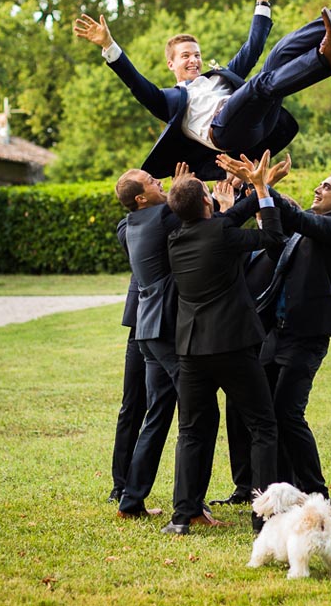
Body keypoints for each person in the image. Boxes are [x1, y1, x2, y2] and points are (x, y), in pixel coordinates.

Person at [73, 0, 331, 180]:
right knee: (260, 83)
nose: (193, 60)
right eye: (185, 57)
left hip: (259, 121)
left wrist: (262, 1)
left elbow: (253, 46)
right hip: (225, 132)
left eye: (197, 55)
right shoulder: (169, 101)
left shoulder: (221, 77)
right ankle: (325, 59)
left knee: (278, 52)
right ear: (171, 64)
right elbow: (136, 84)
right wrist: (109, 44)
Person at [216, 155, 331, 502]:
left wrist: (263, 185)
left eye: (326, 186)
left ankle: (317, 495)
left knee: (287, 413)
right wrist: (255, 187)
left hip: (306, 336)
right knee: (258, 412)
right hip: (275, 334)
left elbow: (294, 217)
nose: (318, 188)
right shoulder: (303, 229)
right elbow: (277, 228)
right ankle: (261, 490)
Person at [160, 151, 286, 535]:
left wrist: (261, 186)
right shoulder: (220, 231)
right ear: (205, 202)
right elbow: (272, 237)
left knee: (192, 432)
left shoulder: (175, 238)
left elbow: (227, 218)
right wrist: (261, 189)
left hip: (192, 349)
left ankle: (182, 516)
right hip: (233, 345)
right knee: (263, 427)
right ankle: (263, 518)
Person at [112, 164, 191, 519]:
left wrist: (171, 194)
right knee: (194, 413)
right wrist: (181, 191)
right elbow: (201, 216)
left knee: (157, 416)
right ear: (141, 198)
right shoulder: (161, 218)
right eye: (151, 182)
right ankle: (188, 504)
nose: (158, 181)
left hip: (147, 331)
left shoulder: (133, 223)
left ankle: (131, 501)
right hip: (165, 331)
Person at [106, 271, 147, 504]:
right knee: (131, 406)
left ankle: (190, 494)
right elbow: (125, 235)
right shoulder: (137, 232)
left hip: (182, 312)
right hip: (141, 315)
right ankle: (120, 484)